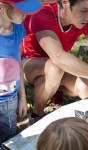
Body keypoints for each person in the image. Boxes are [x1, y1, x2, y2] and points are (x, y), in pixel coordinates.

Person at [0, 0, 42, 144]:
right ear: (2, 7)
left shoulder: (18, 29)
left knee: (8, 140)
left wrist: (22, 97)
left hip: (10, 100)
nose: (26, 14)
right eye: (21, 9)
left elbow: (17, 62)